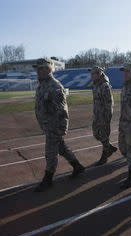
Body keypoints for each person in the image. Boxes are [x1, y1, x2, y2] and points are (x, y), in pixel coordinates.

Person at [33, 58, 85, 192]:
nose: (39, 71)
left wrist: (62, 128)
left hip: (54, 126)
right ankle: (77, 166)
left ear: (49, 69)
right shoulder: (41, 85)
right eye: (38, 69)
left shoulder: (55, 86)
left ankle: (48, 179)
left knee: (50, 153)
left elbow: (62, 110)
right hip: (47, 125)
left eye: (42, 68)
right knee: (61, 148)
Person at [89, 66, 118, 165]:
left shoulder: (104, 86)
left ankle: (105, 155)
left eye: (93, 74)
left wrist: (107, 117)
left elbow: (109, 102)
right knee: (96, 134)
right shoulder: (96, 85)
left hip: (104, 115)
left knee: (104, 135)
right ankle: (109, 147)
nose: (91, 75)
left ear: (99, 74)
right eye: (91, 74)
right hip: (97, 114)